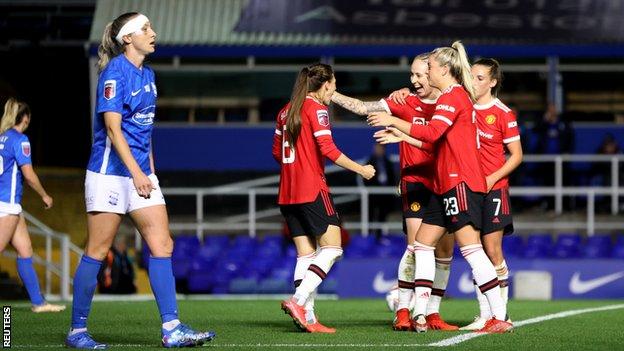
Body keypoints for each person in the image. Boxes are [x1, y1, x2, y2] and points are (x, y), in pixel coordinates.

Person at [65, 13, 214, 349]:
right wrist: (136, 173)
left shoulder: (149, 74)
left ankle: (172, 328)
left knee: (163, 245)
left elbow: (143, 131)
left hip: (142, 174)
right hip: (109, 174)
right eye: (145, 29)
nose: (153, 33)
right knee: (99, 250)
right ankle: (77, 331)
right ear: (127, 38)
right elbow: (114, 130)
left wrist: (150, 171)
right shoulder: (114, 72)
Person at [368, 41, 512, 333]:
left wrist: (393, 120)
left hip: (458, 181)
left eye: (430, 67)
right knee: (421, 245)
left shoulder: (452, 96)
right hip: (444, 184)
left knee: (471, 249)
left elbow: (433, 133)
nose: (425, 73)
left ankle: (498, 316)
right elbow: (437, 140)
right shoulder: (454, 96)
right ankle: (421, 312)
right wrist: (402, 135)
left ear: (444, 69)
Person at [331, 53, 457, 331]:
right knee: (415, 247)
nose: (414, 80)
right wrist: (332, 93)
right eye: (411, 75)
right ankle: (403, 310)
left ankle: (433, 313)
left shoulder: (452, 102)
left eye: (420, 74)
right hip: (415, 182)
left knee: (445, 252)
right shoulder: (404, 101)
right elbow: (364, 108)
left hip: (446, 183)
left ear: (436, 72)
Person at [273, 63, 375, 333]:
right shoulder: (317, 109)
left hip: (287, 192)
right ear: (326, 85)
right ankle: (297, 301)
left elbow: (276, 152)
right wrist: (361, 169)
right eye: (334, 84)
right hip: (311, 189)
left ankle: (308, 318)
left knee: (305, 256)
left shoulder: (285, 111)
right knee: (333, 248)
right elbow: (328, 148)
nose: (334, 90)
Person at [458, 58, 522, 330]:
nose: (473, 82)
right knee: (476, 252)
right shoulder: (463, 108)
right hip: (469, 188)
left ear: (493, 82)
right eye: (471, 76)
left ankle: (502, 313)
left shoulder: (503, 113)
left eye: (480, 78)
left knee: (492, 250)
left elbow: (517, 155)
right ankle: (485, 315)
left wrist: (492, 177)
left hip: (494, 189)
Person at [0, 98, 65, 313]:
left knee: (25, 250)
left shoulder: (2, 138)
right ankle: (39, 302)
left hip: (9, 205)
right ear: (25, 119)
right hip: (7, 205)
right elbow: (28, 175)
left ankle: (39, 302)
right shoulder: (20, 140)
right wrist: (44, 195)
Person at [362, 143, 396, 239]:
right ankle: (368, 237)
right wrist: (369, 189)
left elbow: (392, 177)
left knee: (383, 215)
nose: (378, 150)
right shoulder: (369, 162)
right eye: (377, 148)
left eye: (381, 148)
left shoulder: (388, 162)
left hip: (385, 194)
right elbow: (365, 178)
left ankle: (379, 236)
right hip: (372, 194)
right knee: (371, 214)